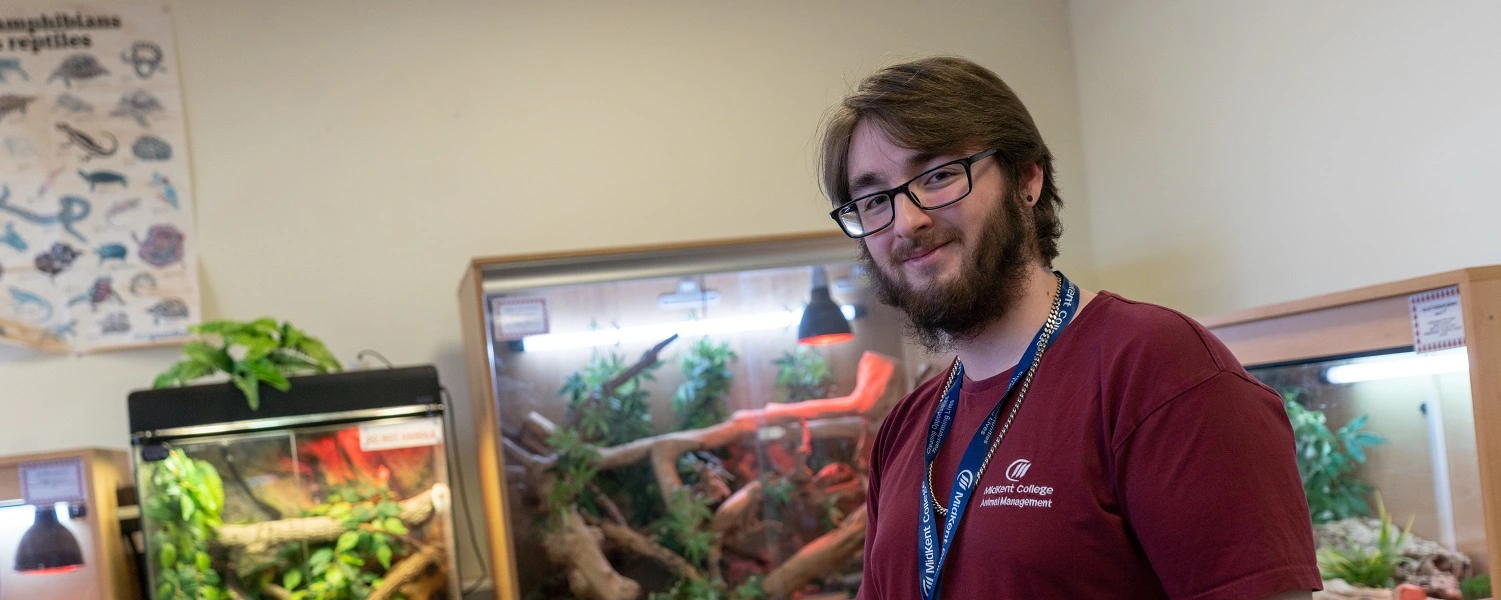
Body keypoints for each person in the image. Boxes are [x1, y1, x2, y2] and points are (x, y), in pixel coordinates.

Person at [817, 56, 1322, 599]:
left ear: (1027, 178)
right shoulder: (904, 430)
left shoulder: (1161, 370)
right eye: (875, 201)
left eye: (939, 175)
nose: (907, 221)